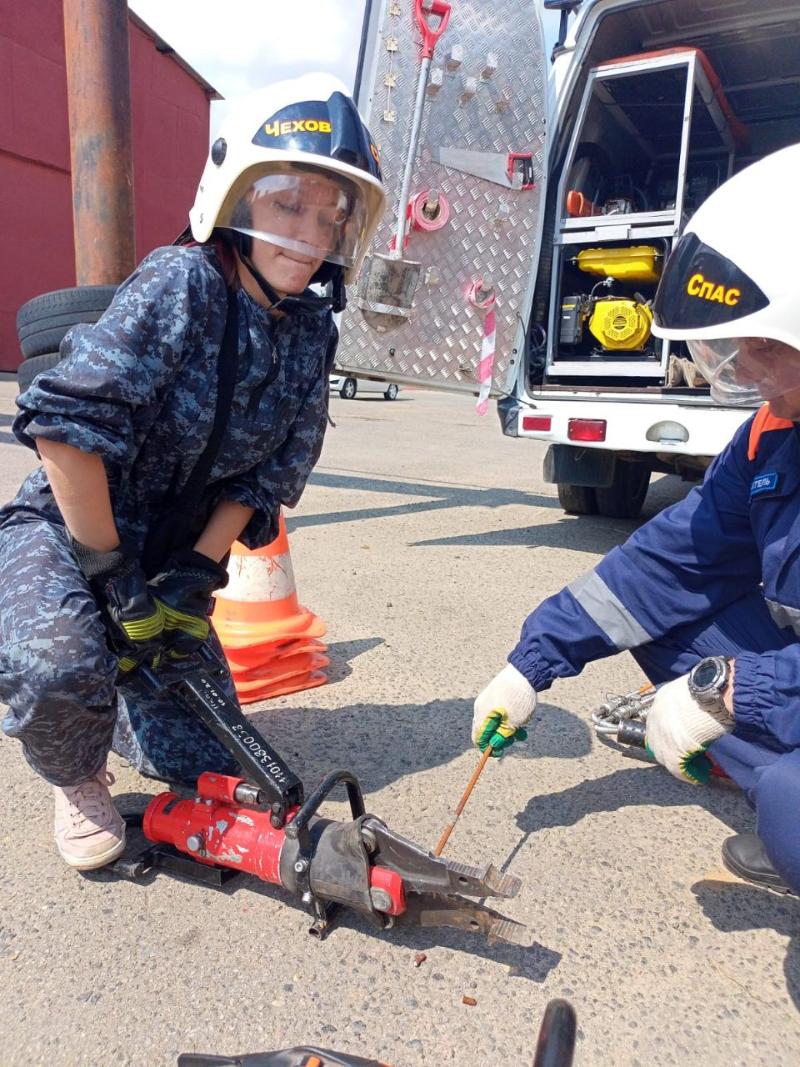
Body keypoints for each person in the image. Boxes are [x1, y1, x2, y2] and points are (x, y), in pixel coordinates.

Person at [0, 73, 385, 871]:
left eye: (329, 215)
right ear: (236, 196)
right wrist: (110, 576)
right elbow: (66, 434)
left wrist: (190, 580)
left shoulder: (311, 333)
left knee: (204, 760)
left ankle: (117, 693)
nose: (309, 234)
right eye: (288, 205)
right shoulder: (181, 285)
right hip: (74, 531)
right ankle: (75, 771)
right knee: (57, 666)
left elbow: (263, 481)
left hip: (173, 557)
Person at [472, 143, 800, 895]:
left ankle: (782, 794)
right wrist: (531, 662)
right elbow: (669, 562)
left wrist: (730, 691)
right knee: (656, 621)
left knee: (791, 805)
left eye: (762, 345)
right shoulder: (774, 430)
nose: (742, 367)